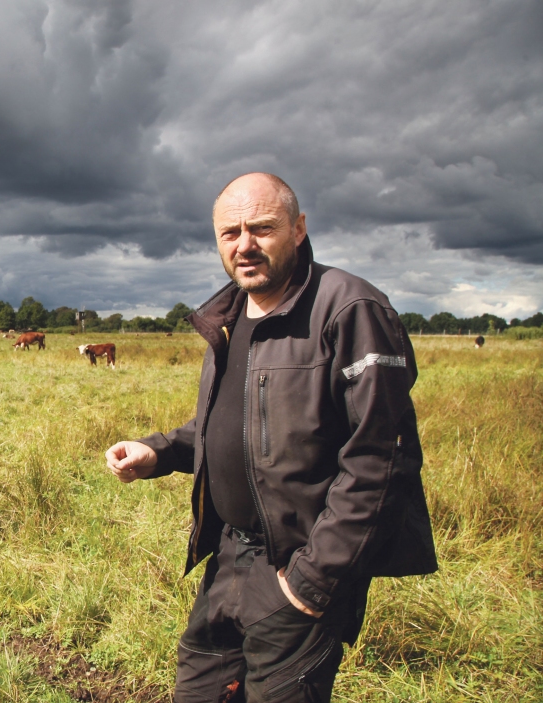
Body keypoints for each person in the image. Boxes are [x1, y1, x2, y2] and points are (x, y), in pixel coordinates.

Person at [105, 173, 437, 702]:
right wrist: (160, 452)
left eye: (262, 228)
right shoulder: (232, 317)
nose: (245, 245)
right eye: (229, 233)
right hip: (226, 556)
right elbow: (238, 427)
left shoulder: (349, 308)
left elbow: (381, 458)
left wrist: (310, 582)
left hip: (296, 566)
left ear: (299, 229)